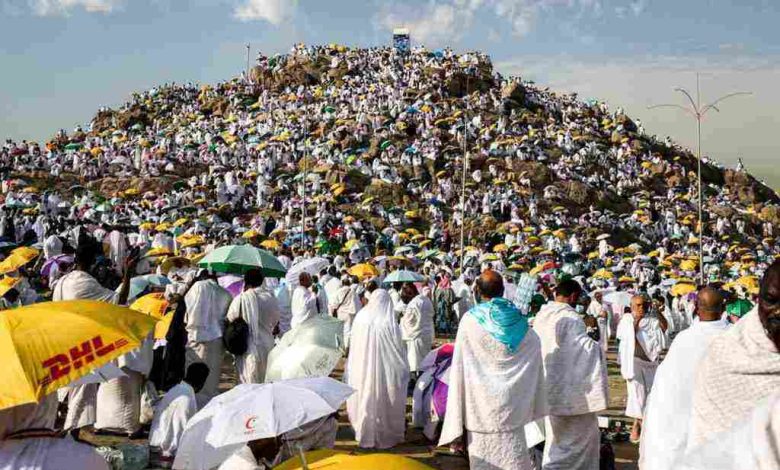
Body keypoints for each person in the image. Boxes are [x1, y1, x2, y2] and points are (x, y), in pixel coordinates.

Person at [440, 270, 547, 470]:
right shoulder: (522, 324)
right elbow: (535, 349)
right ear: (503, 290)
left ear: (478, 291)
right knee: (515, 459)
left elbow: (460, 365)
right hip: (515, 410)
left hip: (480, 409)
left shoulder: (470, 321)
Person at [687, 261, 780, 450]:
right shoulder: (725, 353)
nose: (778, 311)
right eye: (771, 300)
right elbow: (708, 441)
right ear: (759, 300)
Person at [53, 240, 136, 439]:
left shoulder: (63, 281)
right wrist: (128, 274)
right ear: (91, 261)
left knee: (74, 391)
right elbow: (119, 301)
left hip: (63, 340)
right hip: (79, 343)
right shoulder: (83, 281)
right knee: (82, 391)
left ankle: (71, 432)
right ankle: (70, 434)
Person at [639, 286, 729, 470]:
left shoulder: (684, 340)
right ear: (724, 308)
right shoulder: (735, 337)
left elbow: (663, 392)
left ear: (696, 308)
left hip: (681, 434)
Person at [533, 279, 609, 470]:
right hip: (571, 394)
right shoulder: (572, 319)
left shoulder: (542, 316)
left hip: (547, 387)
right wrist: (593, 335)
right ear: (574, 296)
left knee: (555, 439)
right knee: (578, 442)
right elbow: (583, 352)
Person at [346, 289, 409, 449]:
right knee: (384, 399)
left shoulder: (361, 317)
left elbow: (354, 347)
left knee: (364, 397)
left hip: (361, 368)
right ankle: (384, 432)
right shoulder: (388, 322)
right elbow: (398, 351)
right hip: (385, 371)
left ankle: (364, 430)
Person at [616, 294, 667, 442]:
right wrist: (637, 319)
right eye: (638, 305)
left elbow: (665, 328)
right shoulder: (627, 320)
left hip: (651, 363)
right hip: (635, 363)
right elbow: (626, 336)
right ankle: (643, 427)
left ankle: (636, 425)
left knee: (651, 396)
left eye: (644, 304)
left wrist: (657, 312)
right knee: (638, 398)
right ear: (632, 306)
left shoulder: (653, 318)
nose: (641, 308)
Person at [183, 269, 232, 406]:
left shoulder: (196, 287)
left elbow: (187, 310)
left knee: (193, 379)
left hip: (195, 338)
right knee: (211, 378)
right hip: (216, 340)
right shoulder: (225, 293)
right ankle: (208, 406)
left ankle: (193, 407)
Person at [149, 362, 209, 468]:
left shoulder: (176, 389)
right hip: (165, 453)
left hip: (158, 446)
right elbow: (179, 431)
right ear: (202, 382)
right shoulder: (186, 399)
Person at [226, 268, 280, 383]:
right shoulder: (271, 298)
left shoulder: (242, 298)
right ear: (262, 281)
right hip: (267, 345)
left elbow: (231, 318)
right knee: (265, 381)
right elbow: (275, 320)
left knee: (247, 384)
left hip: (247, 346)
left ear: (246, 282)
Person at [399, 283, 435, 376]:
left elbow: (409, 322)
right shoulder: (426, 299)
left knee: (415, 362)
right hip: (427, 334)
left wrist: (402, 319)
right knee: (425, 360)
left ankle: (416, 382)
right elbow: (431, 314)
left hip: (416, 337)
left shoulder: (413, 304)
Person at [331, 276, 362, 349]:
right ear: (349, 283)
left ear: (342, 284)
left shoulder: (338, 292)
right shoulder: (352, 291)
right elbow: (357, 303)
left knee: (341, 330)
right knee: (348, 330)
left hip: (340, 313)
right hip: (349, 313)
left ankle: (341, 346)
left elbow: (334, 304)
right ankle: (347, 346)